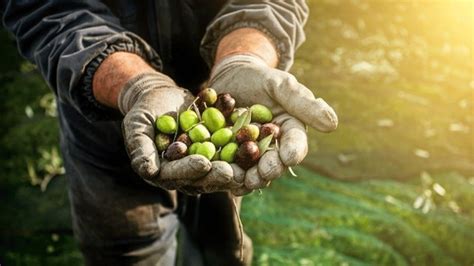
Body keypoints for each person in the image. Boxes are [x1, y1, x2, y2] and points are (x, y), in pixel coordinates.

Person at [1, 0, 337, 265]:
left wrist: (243, 59)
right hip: (102, 114)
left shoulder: (231, 126)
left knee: (224, 243)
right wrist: (136, 86)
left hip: (221, 90)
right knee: (126, 250)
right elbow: (47, 9)